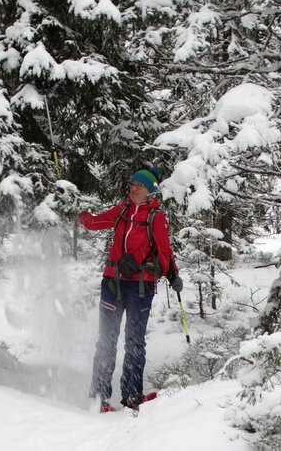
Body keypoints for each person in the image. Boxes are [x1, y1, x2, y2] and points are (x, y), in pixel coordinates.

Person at [77, 168, 182, 412]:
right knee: (106, 340)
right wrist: (79, 214)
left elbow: (164, 250)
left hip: (140, 287)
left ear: (150, 191)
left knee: (135, 342)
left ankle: (132, 396)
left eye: (140, 185)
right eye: (133, 183)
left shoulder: (156, 217)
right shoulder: (122, 210)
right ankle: (99, 398)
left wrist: (173, 274)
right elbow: (94, 222)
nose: (134, 188)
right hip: (112, 283)